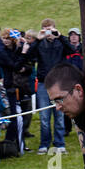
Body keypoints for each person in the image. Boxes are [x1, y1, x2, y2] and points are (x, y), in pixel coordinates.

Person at [27, 20, 69, 154]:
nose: (48, 32)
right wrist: (38, 40)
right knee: (44, 117)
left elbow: (73, 49)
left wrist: (60, 36)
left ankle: (59, 143)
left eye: (50, 28)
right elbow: (28, 56)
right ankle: (44, 143)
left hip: (58, 84)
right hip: (43, 83)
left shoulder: (60, 42)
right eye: (45, 29)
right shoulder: (39, 44)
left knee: (59, 115)